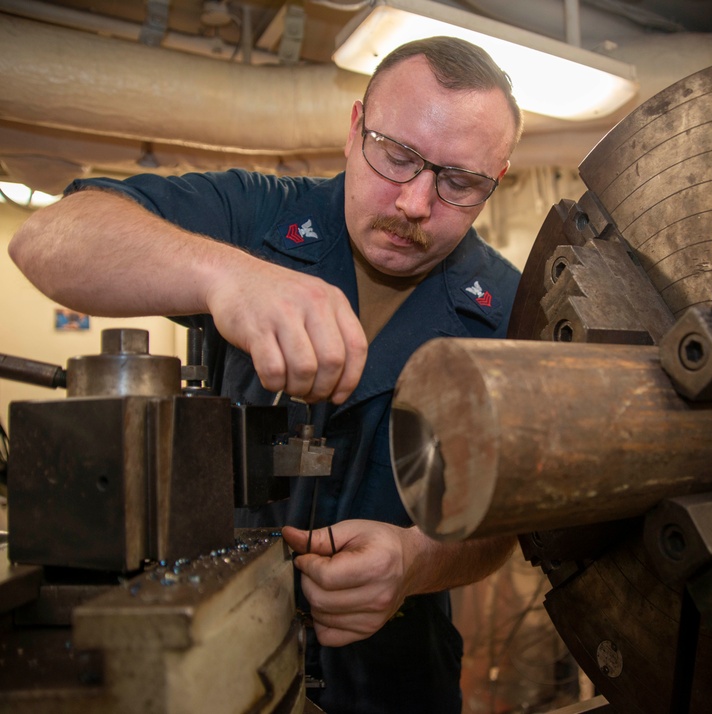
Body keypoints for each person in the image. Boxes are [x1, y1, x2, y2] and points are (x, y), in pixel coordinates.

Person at [9, 36, 524, 713]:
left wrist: (417, 561)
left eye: (459, 183)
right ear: (353, 129)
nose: (415, 204)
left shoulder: (514, 312)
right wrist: (225, 275)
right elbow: (46, 238)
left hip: (396, 671)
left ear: (497, 180)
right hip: (219, 646)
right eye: (396, 157)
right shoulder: (255, 216)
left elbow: (505, 524)